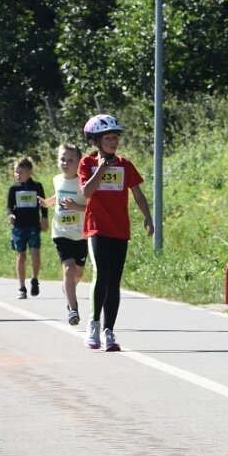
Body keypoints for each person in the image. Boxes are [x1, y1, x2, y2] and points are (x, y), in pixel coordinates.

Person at [79, 114, 154, 351]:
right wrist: (101, 169)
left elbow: (138, 194)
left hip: (120, 229)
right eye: (108, 138)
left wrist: (148, 218)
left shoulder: (125, 165)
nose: (113, 142)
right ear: (96, 141)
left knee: (114, 281)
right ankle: (93, 325)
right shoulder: (87, 163)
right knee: (101, 273)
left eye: (115, 137)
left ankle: (109, 330)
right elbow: (86, 192)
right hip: (97, 228)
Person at [38, 144, 88, 325]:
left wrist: (76, 207)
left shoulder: (84, 182)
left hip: (81, 234)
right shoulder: (57, 179)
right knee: (69, 268)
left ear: (79, 162)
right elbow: (58, 196)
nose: (65, 163)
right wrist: (47, 202)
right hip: (61, 232)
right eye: (62, 159)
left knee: (79, 273)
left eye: (70, 160)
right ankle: (73, 310)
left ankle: (68, 290)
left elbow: (93, 207)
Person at [6, 157, 48, 299]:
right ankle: (22, 287)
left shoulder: (37, 186)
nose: (18, 174)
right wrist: (11, 215)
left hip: (33, 226)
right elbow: (9, 206)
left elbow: (43, 203)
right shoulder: (14, 188)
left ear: (30, 171)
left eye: (21, 172)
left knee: (35, 254)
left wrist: (44, 218)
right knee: (21, 256)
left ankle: (35, 279)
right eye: (16, 172)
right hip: (19, 227)